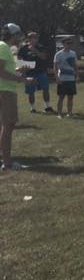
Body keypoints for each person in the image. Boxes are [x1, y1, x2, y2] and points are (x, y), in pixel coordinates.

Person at [0, 23, 26, 171]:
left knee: (4, 126)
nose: (19, 38)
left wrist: (18, 70)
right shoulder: (3, 46)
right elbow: (0, 72)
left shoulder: (4, 47)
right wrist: (21, 79)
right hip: (5, 91)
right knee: (8, 126)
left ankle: (5, 160)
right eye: (18, 35)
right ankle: (7, 163)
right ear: (13, 34)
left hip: (4, 89)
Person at [18, 32, 54, 114]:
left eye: (36, 38)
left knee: (45, 89)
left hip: (41, 71)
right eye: (33, 38)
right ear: (29, 39)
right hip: (30, 73)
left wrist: (35, 50)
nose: (35, 40)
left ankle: (47, 106)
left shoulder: (40, 47)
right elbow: (19, 60)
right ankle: (33, 108)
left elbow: (44, 57)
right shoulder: (23, 48)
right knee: (31, 92)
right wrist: (23, 73)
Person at [54, 37, 79, 118]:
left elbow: (75, 66)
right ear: (63, 44)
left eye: (70, 43)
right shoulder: (58, 54)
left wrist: (77, 76)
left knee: (70, 97)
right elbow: (55, 67)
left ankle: (69, 113)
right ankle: (59, 114)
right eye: (67, 43)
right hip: (62, 79)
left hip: (71, 79)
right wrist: (57, 78)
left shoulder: (73, 53)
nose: (69, 45)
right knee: (61, 96)